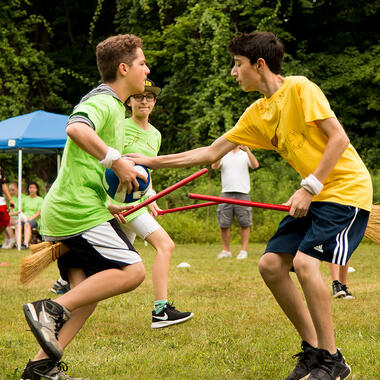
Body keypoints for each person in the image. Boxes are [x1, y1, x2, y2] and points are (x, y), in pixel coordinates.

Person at [130, 31, 372, 380]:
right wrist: (151, 162)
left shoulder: (300, 88)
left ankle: (333, 360)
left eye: (238, 64)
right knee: (271, 265)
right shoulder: (258, 113)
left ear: (259, 65)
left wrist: (309, 186)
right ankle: (313, 350)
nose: (233, 72)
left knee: (305, 263)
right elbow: (210, 153)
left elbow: (339, 138)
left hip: (345, 190)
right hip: (316, 193)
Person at [20, 34, 149, 380]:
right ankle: (49, 309)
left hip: (74, 208)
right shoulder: (105, 101)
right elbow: (76, 128)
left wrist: (109, 204)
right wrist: (116, 160)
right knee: (134, 271)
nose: (147, 69)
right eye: (141, 63)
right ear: (123, 68)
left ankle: (39, 370)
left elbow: (82, 169)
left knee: (85, 297)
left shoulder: (113, 107)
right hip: (75, 213)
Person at [110, 78, 193, 328]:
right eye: (138, 96)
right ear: (130, 101)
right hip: (120, 205)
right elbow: (105, 164)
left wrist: (150, 196)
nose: (144, 100)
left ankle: (67, 286)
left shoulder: (155, 134)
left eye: (149, 97)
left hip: (137, 202)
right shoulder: (119, 127)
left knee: (114, 263)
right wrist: (107, 203)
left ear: (154, 102)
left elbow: (147, 171)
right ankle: (161, 310)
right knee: (165, 245)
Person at [211, 145, 259, 260]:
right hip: (226, 193)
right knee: (224, 224)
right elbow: (214, 166)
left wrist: (248, 150)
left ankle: (243, 251)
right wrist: (221, 152)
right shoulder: (224, 154)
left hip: (243, 193)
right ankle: (226, 250)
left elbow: (255, 165)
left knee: (245, 223)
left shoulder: (245, 154)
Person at [15, 182, 44, 249]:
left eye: (33, 188)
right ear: (28, 189)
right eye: (30, 187)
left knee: (27, 224)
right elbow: (21, 211)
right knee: (18, 224)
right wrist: (21, 217)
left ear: (37, 189)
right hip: (24, 218)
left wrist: (30, 218)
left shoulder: (40, 199)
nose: (32, 189)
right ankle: (18, 244)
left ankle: (25, 243)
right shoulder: (25, 199)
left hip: (34, 220)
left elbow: (38, 212)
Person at [0, 166, 14, 248]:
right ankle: (8, 238)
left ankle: (10, 238)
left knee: (5, 220)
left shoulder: (1, 170)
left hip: (1, 199)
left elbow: (4, 185)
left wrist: (10, 199)